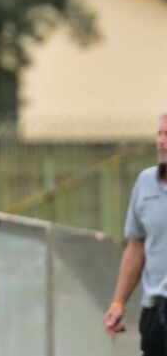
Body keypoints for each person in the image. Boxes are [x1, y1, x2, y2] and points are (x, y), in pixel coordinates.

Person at [105, 113, 167, 354]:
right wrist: (118, 302)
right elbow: (136, 246)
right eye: (160, 133)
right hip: (155, 312)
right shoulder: (145, 183)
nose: (161, 141)